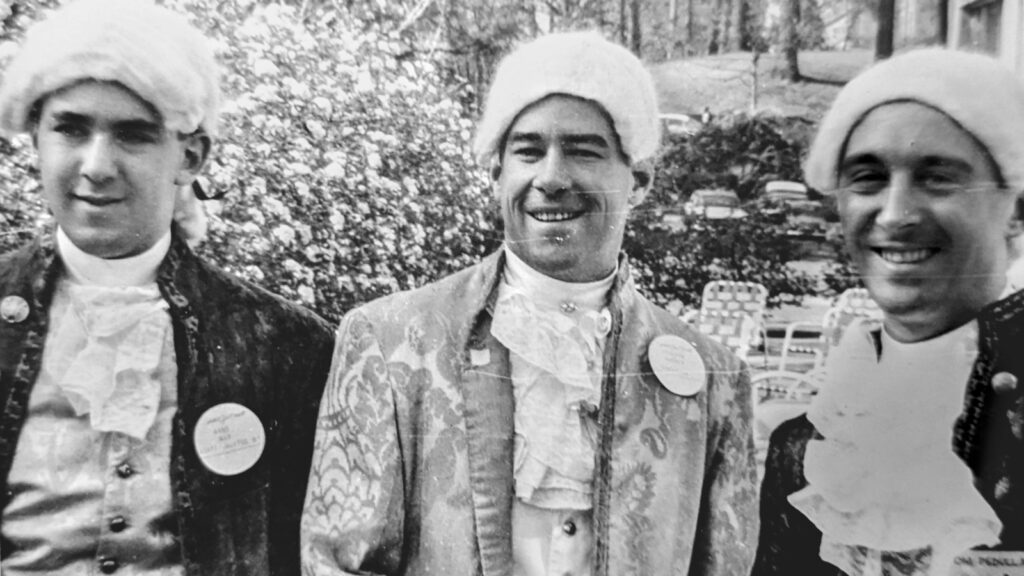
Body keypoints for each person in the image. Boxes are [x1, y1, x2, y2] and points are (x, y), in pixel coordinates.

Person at [301, 31, 759, 576]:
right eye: (528, 151)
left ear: (638, 180)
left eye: (584, 152)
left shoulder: (715, 379)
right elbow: (338, 565)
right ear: (497, 173)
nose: (551, 177)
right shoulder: (389, 339)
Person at [0, 0, 335, 574]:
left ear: (191, 156)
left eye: (132, 136)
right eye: (71, 129)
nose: (96, 165)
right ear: (35, 138)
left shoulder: (286, 346)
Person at [753, 48, 1024, 576]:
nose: (896, 214)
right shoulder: (807, 448)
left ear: (1016, 212)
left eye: (938, 177)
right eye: (868, 179)